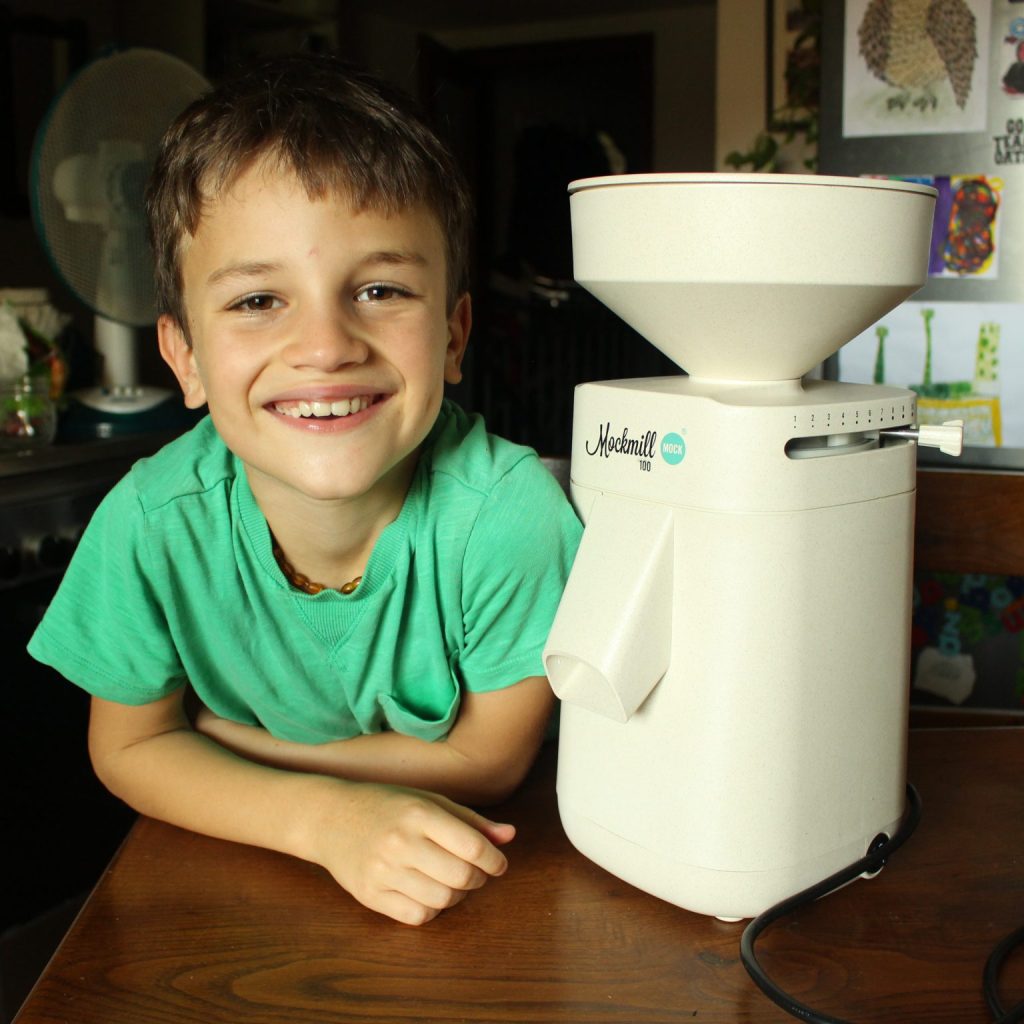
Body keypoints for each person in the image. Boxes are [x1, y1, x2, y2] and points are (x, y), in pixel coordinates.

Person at [28, 51, 581, 926]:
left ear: (452, 333)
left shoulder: (512, 515)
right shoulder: (148, 521)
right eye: (256, 302)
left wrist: (219, 742)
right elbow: (127, 747)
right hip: (235, 898)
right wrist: (325, 820)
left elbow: (488, 763)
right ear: (183, 357)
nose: (326, 345)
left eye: (381, 289)